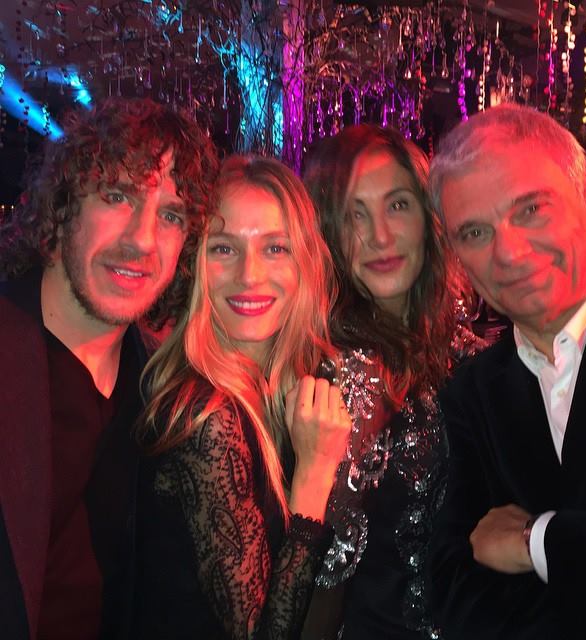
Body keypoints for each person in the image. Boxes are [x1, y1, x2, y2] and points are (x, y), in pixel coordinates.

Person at [0, 97, 219, 640]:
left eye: (170, 215)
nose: (141, 240)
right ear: (63, 207)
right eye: (118, 196)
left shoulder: (161, 385)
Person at [427, 103, 586, 639]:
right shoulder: (470, 392)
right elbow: (457, 591)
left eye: (530, 209)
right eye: (476, 232)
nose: (511, 253)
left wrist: (537, 541)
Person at [132, 155, 351, 639]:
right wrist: (315, 474)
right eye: (224, 248)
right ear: (195, 265)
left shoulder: (280, 390)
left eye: (275, 248)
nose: (250, 275)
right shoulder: (205, 416)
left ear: (305, 264)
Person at [302, 124, 484, 640]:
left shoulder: (470, 356)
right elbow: (325, 577)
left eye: (397, 205)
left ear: (429, 218)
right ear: (326, 233)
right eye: (353, 215)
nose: (380, 237)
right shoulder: (339, 375)